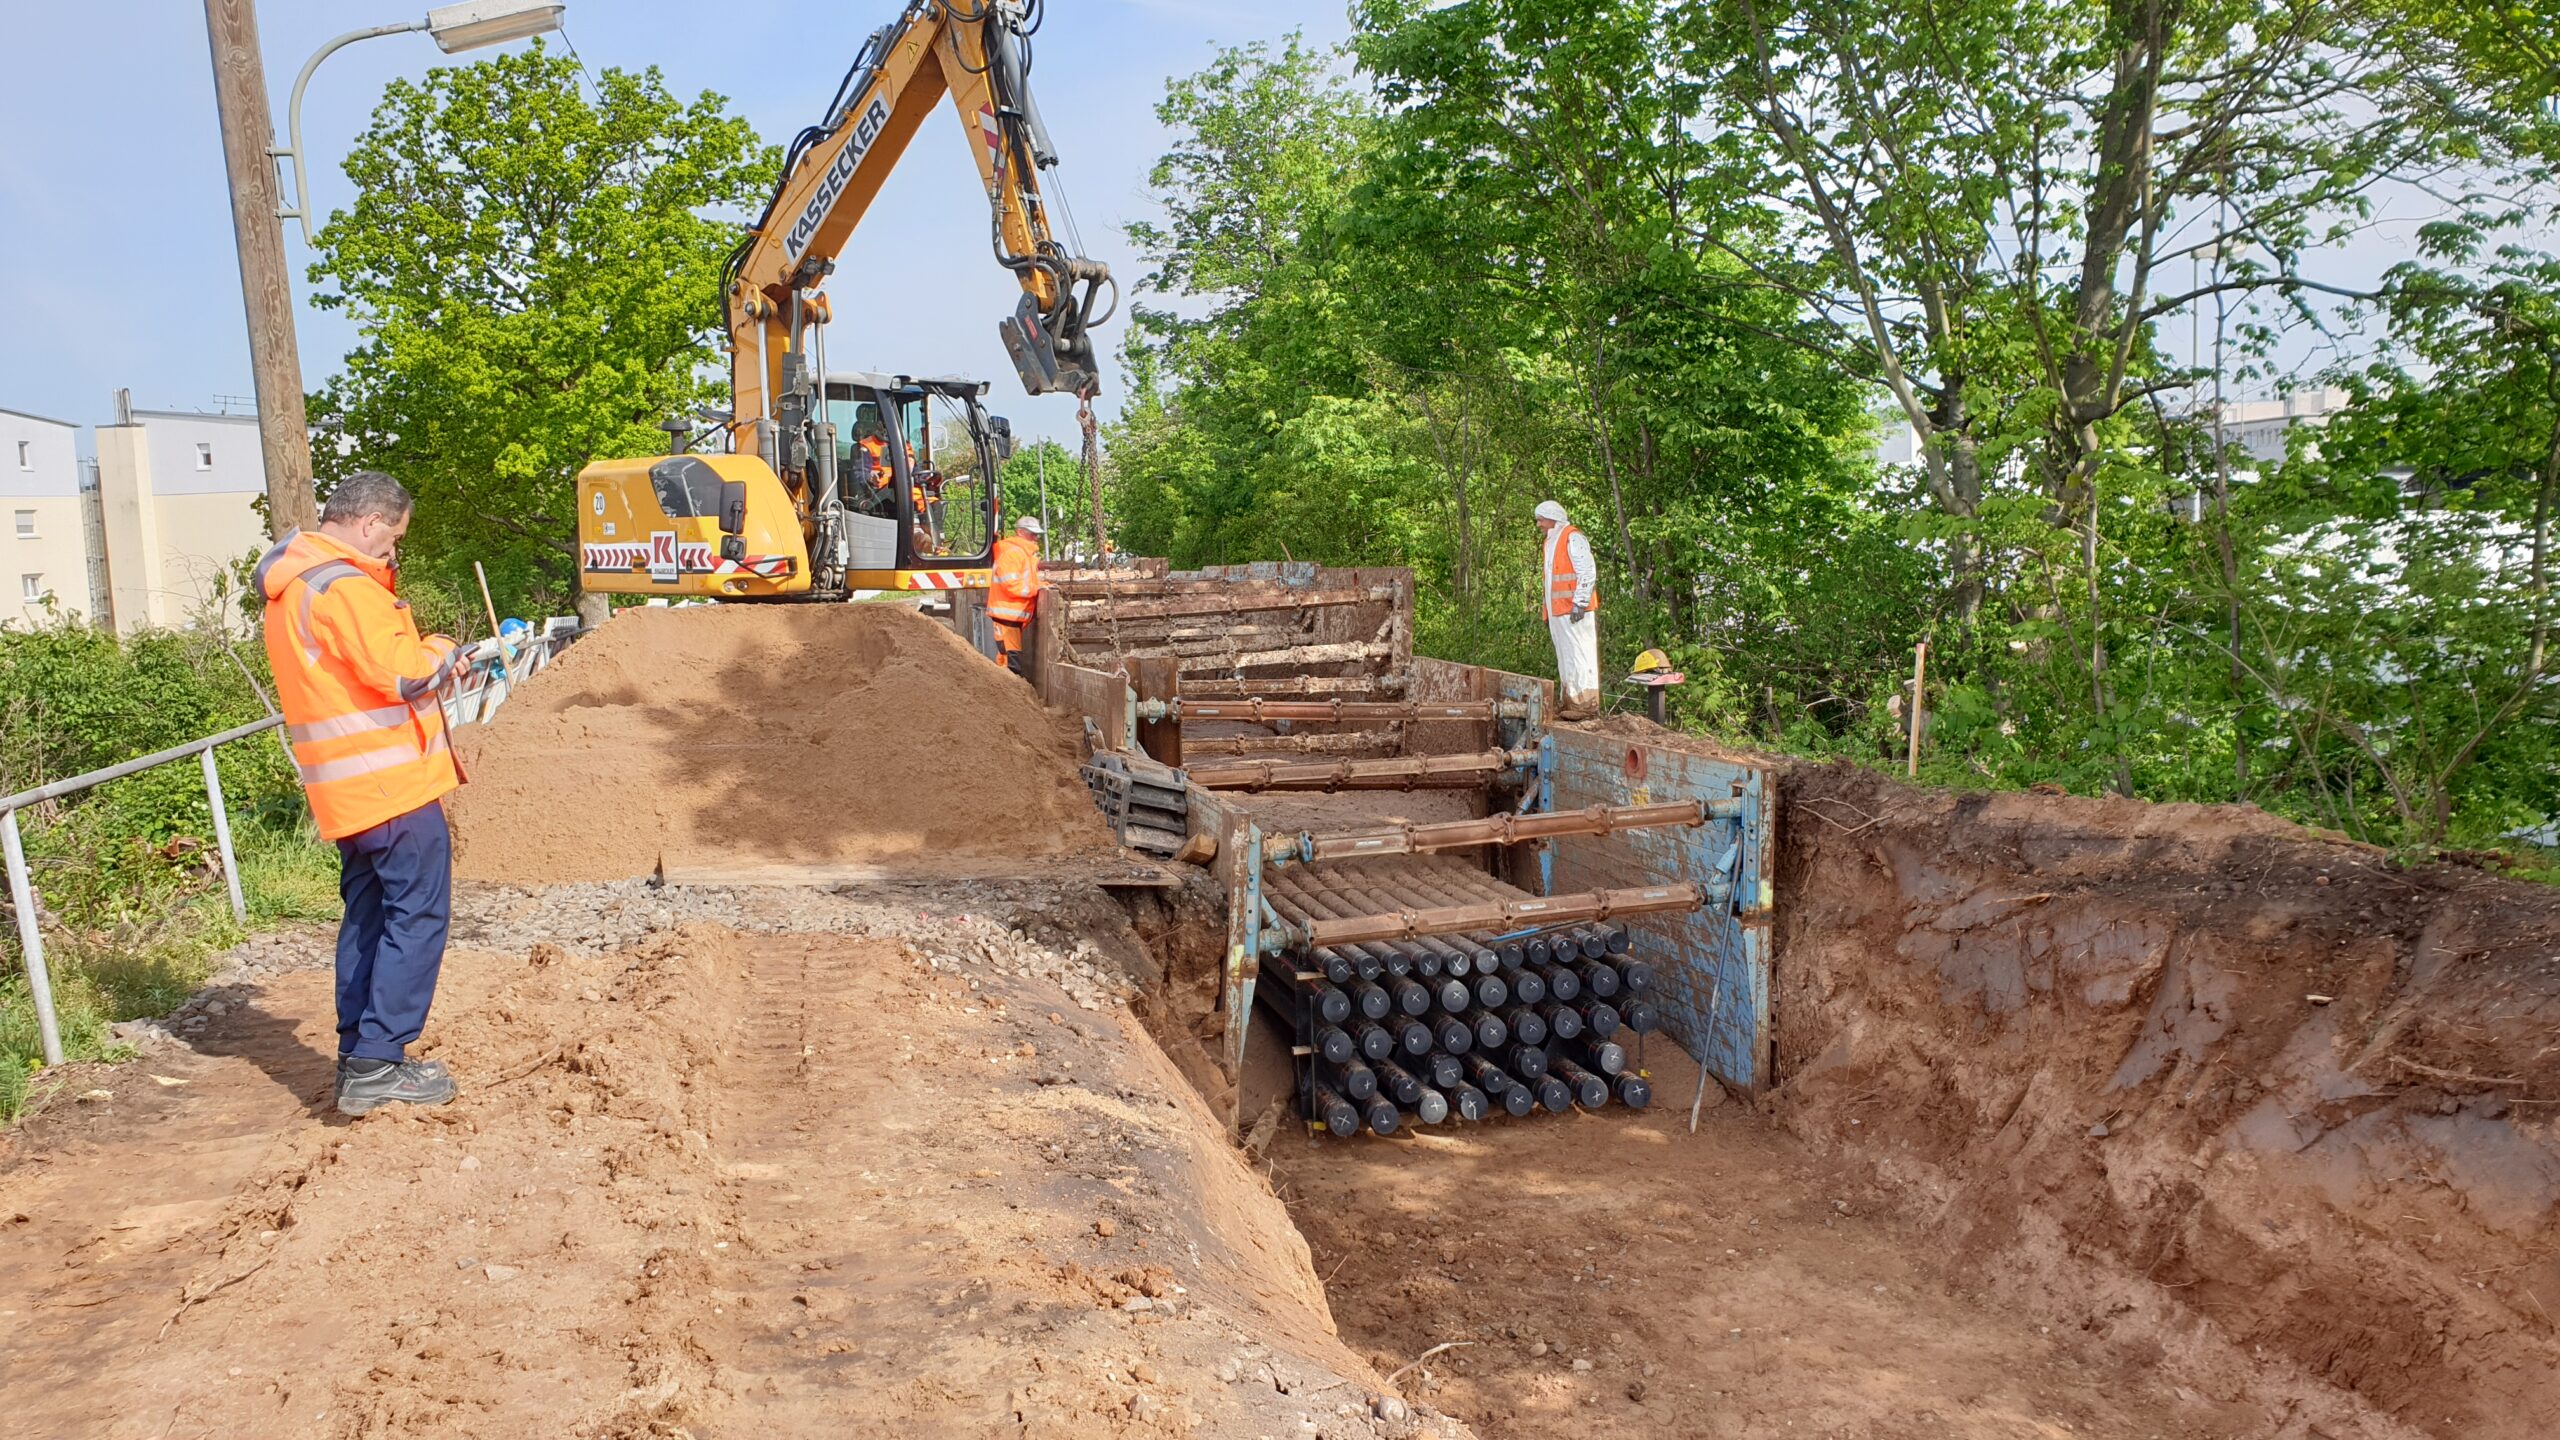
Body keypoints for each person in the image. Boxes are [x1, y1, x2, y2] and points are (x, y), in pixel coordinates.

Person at [254, 472, 466, 1116]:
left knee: (371, 915)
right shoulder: (343, 585)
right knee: (416, 915)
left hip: (349, 793)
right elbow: (401, 672)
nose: (393, 553)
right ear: (371, 521)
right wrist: (444, 647)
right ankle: (378, 1063)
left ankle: (358, 1053)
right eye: (394, 537)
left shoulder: (296, 585)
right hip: (389, 784)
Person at [1534, 499, 1600, 720]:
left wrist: (1580, 603)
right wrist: (1548, 612)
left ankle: (1585, 705)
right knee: (1566, 657)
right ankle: (1570, 701)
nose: (1538, 524)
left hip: (1574, 610)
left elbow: (1587, 572)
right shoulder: (1550, 542)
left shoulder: (1573, 537)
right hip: (1559, 611)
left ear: (1552, 517)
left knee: (1580, 655)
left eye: (1540, 519)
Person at [987, 514, 1048, 676]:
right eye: (1032, 534)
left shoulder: (1021, 553)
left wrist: (1038, 586)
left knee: (1008, 658)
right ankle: (1007, 695)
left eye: (1037, 534)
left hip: (1011, 616)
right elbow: (1012, 586)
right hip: (1007, 616)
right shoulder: (1014, 553)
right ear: (1020, 532)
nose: (1035, 538)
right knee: (1010, 662)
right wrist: (1037, 588)